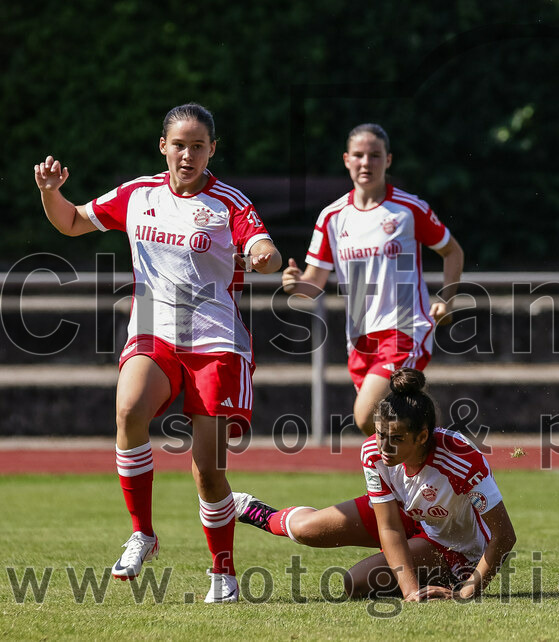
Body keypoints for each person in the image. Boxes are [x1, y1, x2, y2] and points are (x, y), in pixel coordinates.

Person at [34, 103, 283, 603]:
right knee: (128, 409)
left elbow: (265, 248)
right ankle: (142, 533)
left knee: (208, 468)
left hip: (216, 343)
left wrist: (263, 257)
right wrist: (50, 193)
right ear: (162, 146)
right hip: (155, 333)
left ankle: (223, 573)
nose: (187, 154)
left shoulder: (228, 203)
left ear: (212, 150)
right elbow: (72, 223)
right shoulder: (138, 193)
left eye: (198, 145)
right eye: (179, 144)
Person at [233, 367, 516, 600]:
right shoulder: (373, 453)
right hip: (406, 514)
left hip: (452, 545)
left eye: (396, 439)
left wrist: (468, 591)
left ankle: (432, 567)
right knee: (305, 529)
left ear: (421, 437)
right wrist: (410, 590)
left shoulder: (461, 459)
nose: (384, 447)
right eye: (380, 434)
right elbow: (389, 526)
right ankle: (249, 508)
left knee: (353, 585)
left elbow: (504, 535)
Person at [281, 123, 464, 436]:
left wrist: (446, 300)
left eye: (375, 155)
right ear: (346, 160)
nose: (366, 162)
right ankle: (447, 458)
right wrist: (293, 283)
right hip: (360, 339)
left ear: (388, 160)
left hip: (405, 328)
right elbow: (313, 285)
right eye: (359, 155)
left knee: (366, 416)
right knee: (388, 424)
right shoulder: (332, 217)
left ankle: (444, 452)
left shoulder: (408, 209)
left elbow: (453, 252)